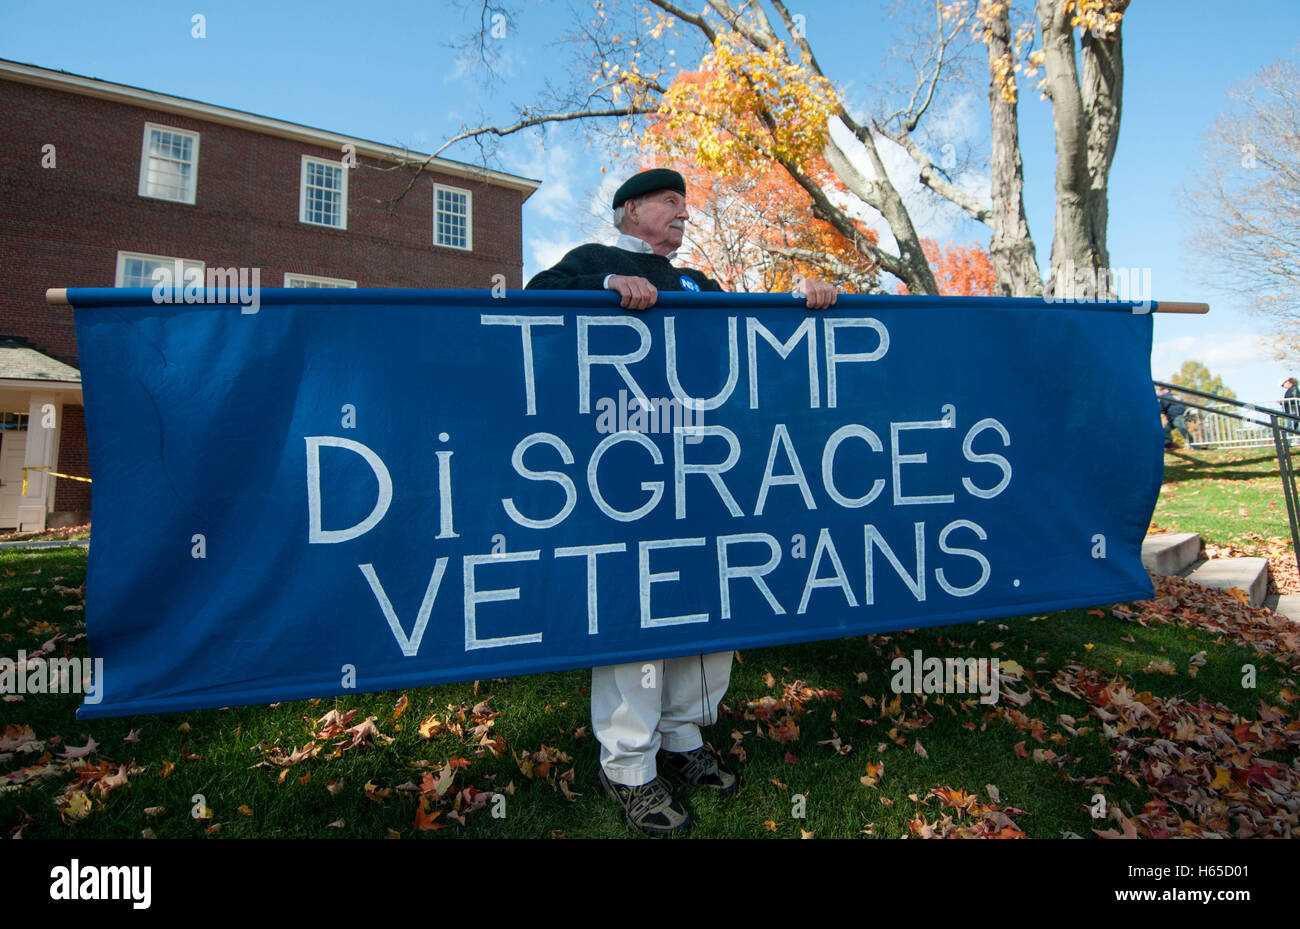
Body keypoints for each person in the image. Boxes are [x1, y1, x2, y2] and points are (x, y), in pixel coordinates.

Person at [526, 167, 837, 835]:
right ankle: (629, 765)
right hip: (627, 468)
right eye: (671, 201)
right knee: (638, 609)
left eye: (685, 204)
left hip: (702, 468)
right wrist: (603, 288)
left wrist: (800, 299)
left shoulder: (698, 283)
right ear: (632, 207)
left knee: (705, 598)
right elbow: (534, 303)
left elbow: (750, 334)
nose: (683, 213)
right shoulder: (593, 261)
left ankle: (684, 736)